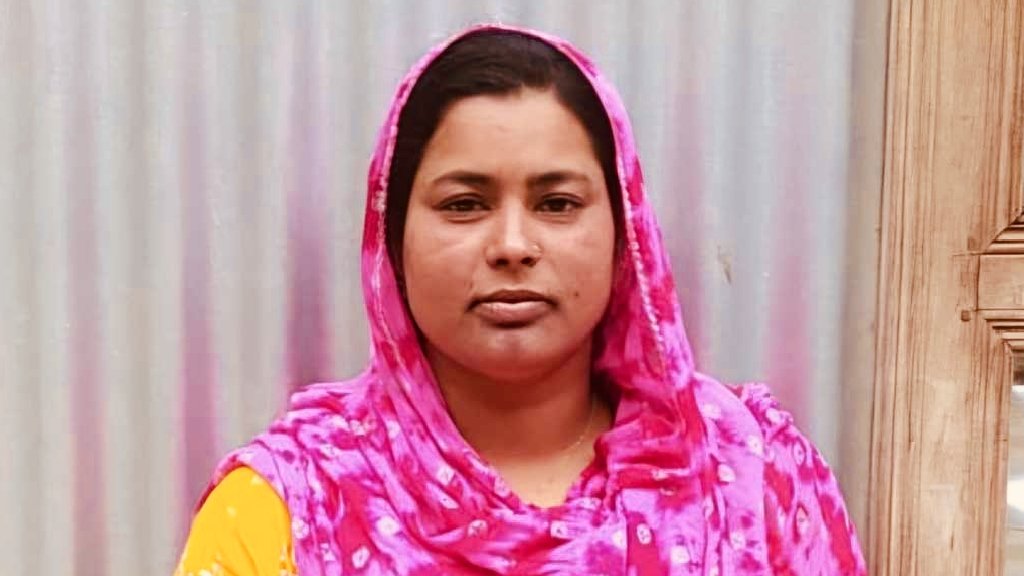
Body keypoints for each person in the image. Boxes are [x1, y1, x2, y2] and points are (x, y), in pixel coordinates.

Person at [174, 24, 865, 575]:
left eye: (557, 203)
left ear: (625, 235)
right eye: (464, 204)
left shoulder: (750, 477)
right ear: (392, 240)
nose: (512, 245)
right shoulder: (287, 509)